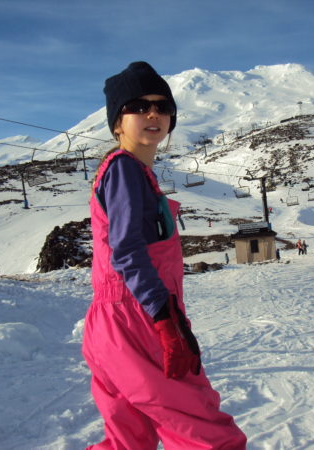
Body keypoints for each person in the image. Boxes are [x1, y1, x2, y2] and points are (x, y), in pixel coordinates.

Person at [82, 61, 246, 450]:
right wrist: (163, 317)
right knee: (204, 432)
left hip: (114, 323)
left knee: (129, 439)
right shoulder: (124, 169)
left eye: (162, 106)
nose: (152, 113)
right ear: (117, 123)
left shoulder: (131, 172)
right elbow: (126, 251)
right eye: (137, 106)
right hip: (137, 318)